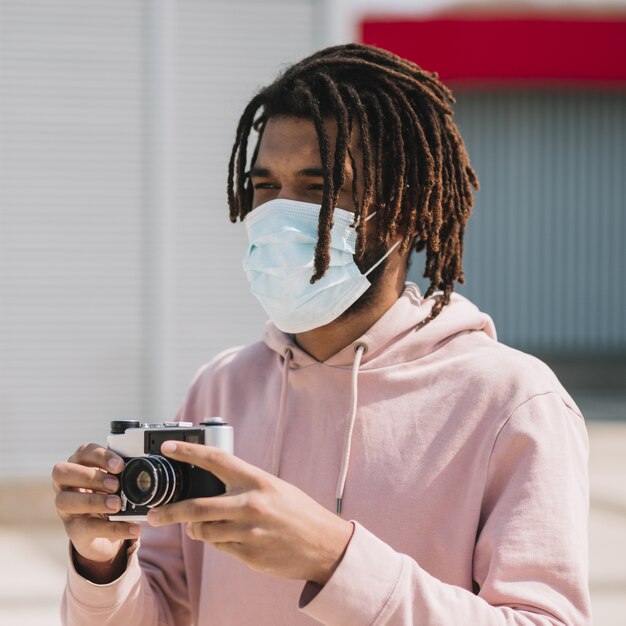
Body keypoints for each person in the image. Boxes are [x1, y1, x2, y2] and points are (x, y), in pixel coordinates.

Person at [53, 44, 591, 625]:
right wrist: (101, 566)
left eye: (318, 187)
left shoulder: (512, 403)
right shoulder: (222, 387)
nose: (281, 213)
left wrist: (334, 558)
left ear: (406, 209)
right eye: (264, 186)